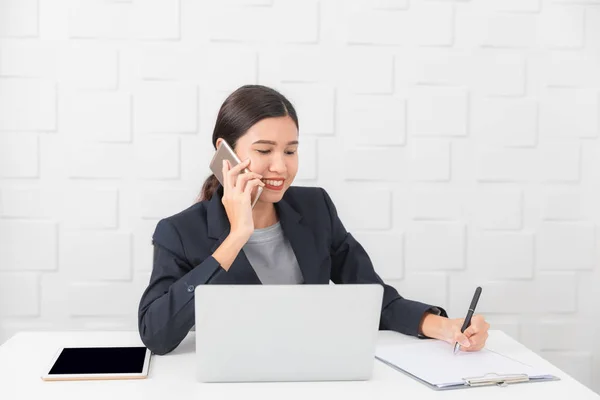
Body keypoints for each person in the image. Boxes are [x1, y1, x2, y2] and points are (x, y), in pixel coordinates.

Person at [137, 84, 490, 356]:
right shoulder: (179, 232)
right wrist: (236, 236)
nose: (281, 166)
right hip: (236, 380)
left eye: (290, 150)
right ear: (224, 153)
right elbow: (156, 334)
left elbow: (373, 297)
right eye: (264, 151)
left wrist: (444, 327)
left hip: (314, 370)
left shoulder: (315, 207)